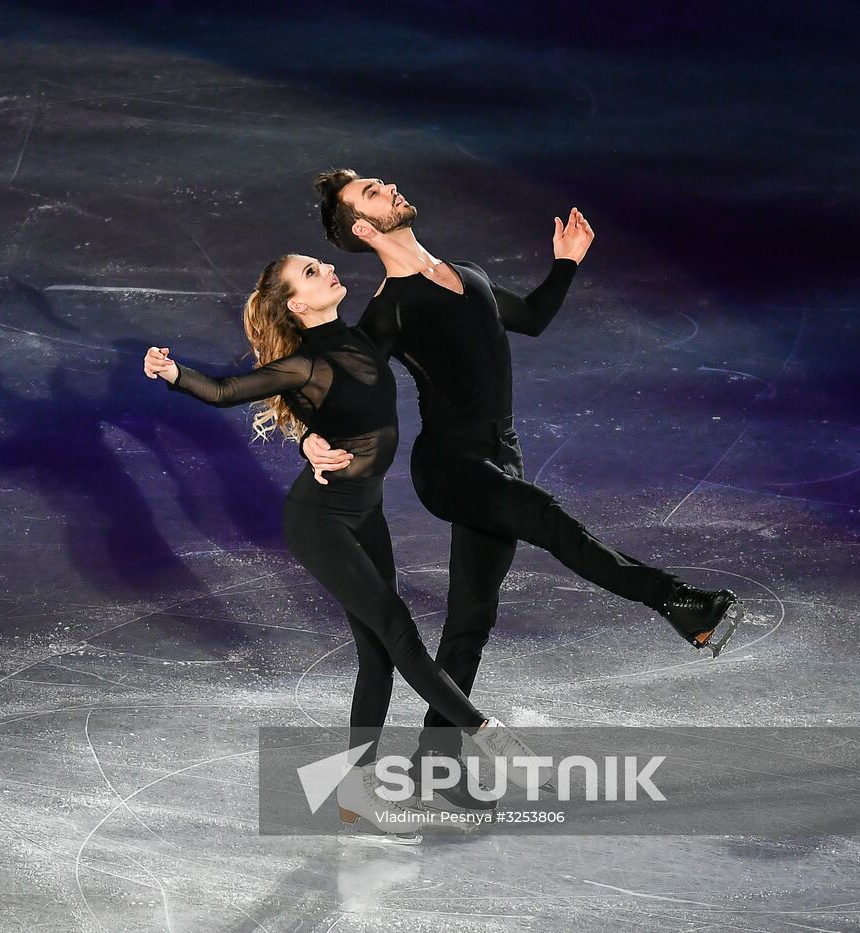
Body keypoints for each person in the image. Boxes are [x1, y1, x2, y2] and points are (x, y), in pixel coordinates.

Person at [303, 170, 744, 797]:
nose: (390, 188)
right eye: (372, 193)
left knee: (471, 619)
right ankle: (678, 603)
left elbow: (532, 318)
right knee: (549, 520)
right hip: (451, 468)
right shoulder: (387, 311)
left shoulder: (469, 273)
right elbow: (341, 387)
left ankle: (437, 763)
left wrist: (564, 264)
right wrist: (312, 438)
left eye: (381, 183)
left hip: (499, 459)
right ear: (363, 228)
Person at [144, 254, 548, 843]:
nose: (326, 268)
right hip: (320, 519)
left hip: (366, 513)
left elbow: (420, 309)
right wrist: (173, 372)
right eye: (309, 273)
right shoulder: (304, 364)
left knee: (379, 654)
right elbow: (226, 389)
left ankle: (357, 799)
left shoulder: (363, 336)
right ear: (298, 307)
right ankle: (487, 733)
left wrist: (309, 434)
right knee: (398, 629)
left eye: (319, 262)